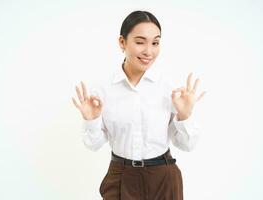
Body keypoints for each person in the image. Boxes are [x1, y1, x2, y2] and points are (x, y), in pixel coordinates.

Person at [72, 10, 206, 200]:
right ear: (122, 42)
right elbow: (93, 145)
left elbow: (187, 145)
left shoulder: (170, 88)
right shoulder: (103, 90)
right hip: (120, 175)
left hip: (163, 177)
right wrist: (91, 120)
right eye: (140, 42)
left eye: (155, 43)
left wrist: (185, 116)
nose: (148, 51)